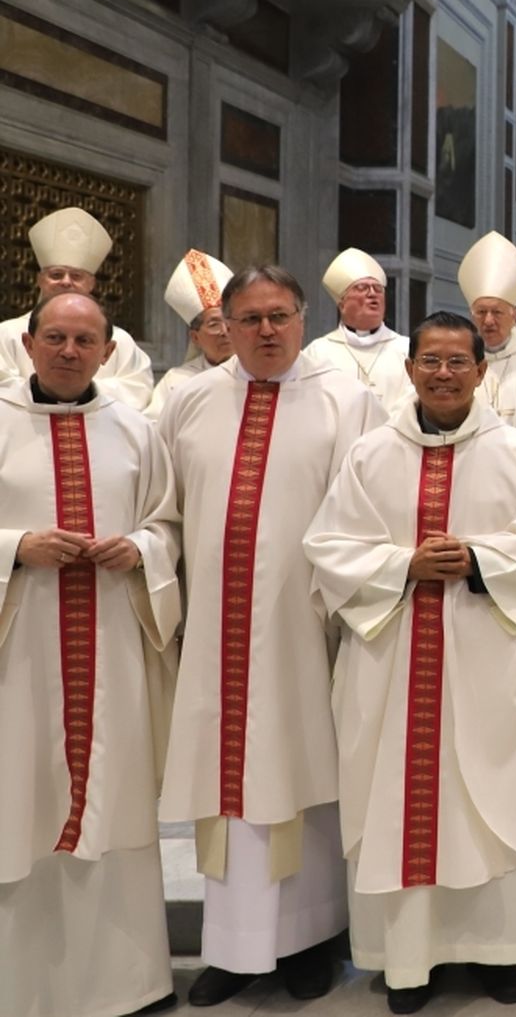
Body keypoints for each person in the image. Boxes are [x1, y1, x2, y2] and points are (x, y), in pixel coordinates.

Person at [304, 311, 516, 1013]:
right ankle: (410, 958)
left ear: (483, 372)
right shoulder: (369, 455)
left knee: (494, 800)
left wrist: (483, 560)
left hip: (487, 659)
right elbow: (329, 545)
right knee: (401, 800)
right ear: (410, 368)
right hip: (391, 663)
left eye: (460, 361)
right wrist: (406, 564)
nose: (446, 373)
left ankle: (502, 952)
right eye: (432, 361)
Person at [159, 265, 385, 1008]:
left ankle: (310, 939)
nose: (265, 331)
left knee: (305, 774)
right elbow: (162, 516)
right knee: (228, 786)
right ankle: (233, 948)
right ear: (221, 324)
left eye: (279, 316)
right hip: (215, 633)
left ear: (300, 318)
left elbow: (373, 510)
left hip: (307, 626)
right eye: (248, 318)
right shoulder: (188, 401)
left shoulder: (347, 402)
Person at [0, 293, 182, 1017]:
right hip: (20, 654)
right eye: (55, 337)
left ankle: (126, 982)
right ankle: (23, 985)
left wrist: (139, 548)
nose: (68, 351)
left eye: (83, 339)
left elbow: (167, 524)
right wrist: (15, 547)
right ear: (29, 344)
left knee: (118, 802)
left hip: (113, 645)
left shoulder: (136, 429)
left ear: (108, 349)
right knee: (21, 797)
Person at [0, 206, 153, 409]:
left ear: (91, 284)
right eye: (56, 275)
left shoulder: (120, 341)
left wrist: (77, 390)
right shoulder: (6, 333)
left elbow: (137, 390)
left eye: (76, 276)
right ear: (40, 280)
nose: (65, 282)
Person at [302, 248, 412, 412]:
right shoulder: (318, 352)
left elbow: (414, 400)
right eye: (362, 288)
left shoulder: (407, 349)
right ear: (342, 302)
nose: (372, 294)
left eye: (378, 288)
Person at [458, 231, 516, 434]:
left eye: (497, 312)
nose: (488, 320)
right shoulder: (460, 363)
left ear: (514, 315)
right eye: (481, 312)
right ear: (472, 315)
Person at [147, 249, 234, 418]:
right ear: (195, 337)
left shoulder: (255, 371)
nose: (224, 331)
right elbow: (155, 428)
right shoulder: (176, 381)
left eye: (229, 321)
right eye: (214, 324)